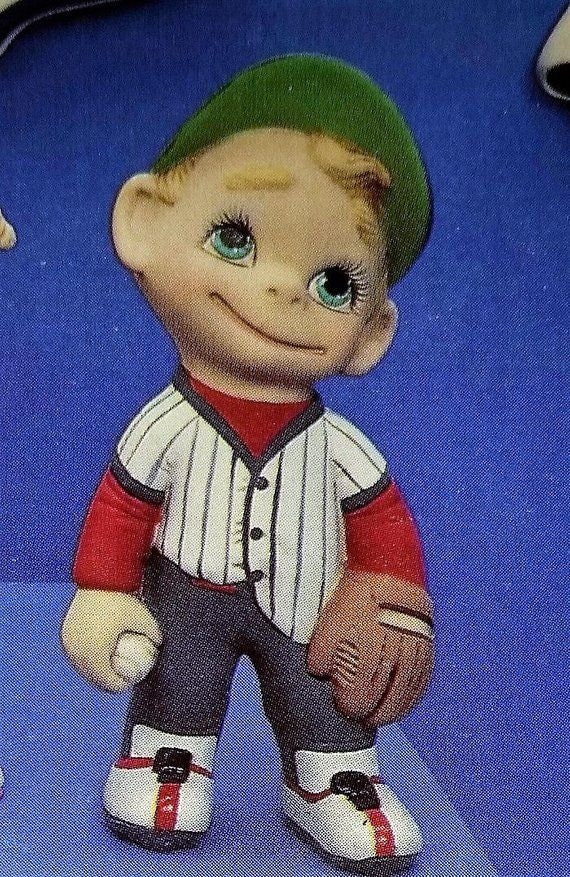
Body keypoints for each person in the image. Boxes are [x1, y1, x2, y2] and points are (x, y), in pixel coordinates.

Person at [61, 55, 435, 874]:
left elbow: (381, 522)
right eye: (236, 239)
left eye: (334, 283)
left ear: (371, 333)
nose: (283, 291)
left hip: (311, 605)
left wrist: (395, 597)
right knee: (177, 681)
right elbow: (123, 505)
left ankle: (333, 775)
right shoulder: (166, 425)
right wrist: (103, 592)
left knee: (322, 694)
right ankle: (167, 756)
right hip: (186, 591)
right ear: (144, 223)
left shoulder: (339, 449)